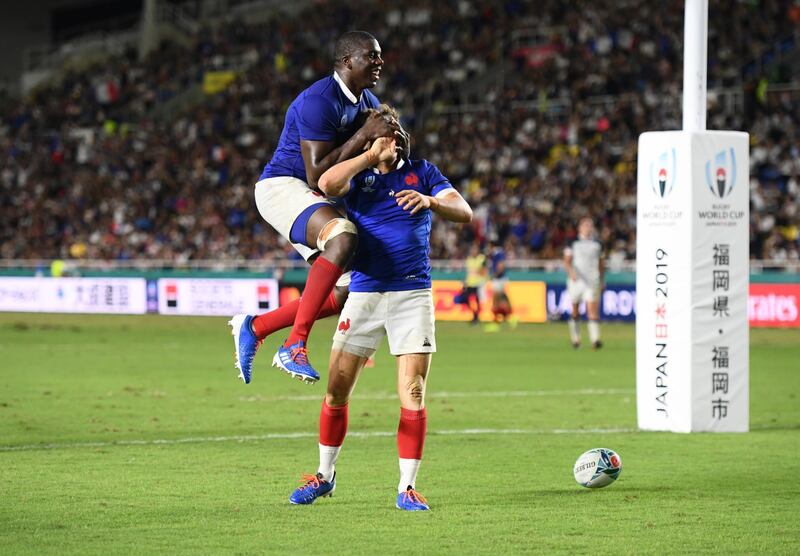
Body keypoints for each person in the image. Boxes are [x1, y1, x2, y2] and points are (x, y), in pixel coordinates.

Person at [286, 105, 472, 511]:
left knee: (413, 391)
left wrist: (431, 202)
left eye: (397, 129)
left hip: (412, 296)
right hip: (366, 295)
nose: (394, 136)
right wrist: (369, 156)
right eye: (385, 131)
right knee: (337, 391)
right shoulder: (360, 175)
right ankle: (324, 476)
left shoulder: (424, 171)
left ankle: (406, 487)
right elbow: (327, 181)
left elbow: (465, 211)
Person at [228, 31, 404, 385]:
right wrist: (363, 137)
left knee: (346, 288)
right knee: (343, 237)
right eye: (372, 56)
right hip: (282, 186)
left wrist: (397, 140)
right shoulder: (319, 101)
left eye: (380, 56)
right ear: (347, 61)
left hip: (315, 196)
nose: (379, 62)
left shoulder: (366, 100)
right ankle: (294, 345)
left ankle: (256, 327)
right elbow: (318, 175)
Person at [563, 217, 605, 349]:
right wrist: (571, 273)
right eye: (585, 225)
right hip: (577, 281)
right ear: (579, 228)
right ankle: (576, 339)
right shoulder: (572, 242)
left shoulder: (597, 244)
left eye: (589, 225)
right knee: (575, 310)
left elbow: (601, 264)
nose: (587, 228)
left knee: (592, 309)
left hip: (592, 280)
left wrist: (602, 280)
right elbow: (567, 261)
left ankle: (595, 340)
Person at [484, 240, 516, 332]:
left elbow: (501, 265)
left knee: (496, 302)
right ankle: (510, 318)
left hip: (499, 279)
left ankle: (496, 323)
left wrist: (494, 275)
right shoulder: (496, 254)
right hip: (499, 279)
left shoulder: (498, 253)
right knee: (502, 300)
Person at [464, 243, 487, 324]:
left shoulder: (482, 258)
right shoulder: (469, 259)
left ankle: (476, 317)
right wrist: (466, 283)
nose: (473, 251)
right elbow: (468, 272)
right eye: (472, 249)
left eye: (475, 249)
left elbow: (484, 271)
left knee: (478, 301)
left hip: (479, 283)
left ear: (478, 250)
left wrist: (479, 272)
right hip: (470, 283)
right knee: (466, 300)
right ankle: (475, 315)